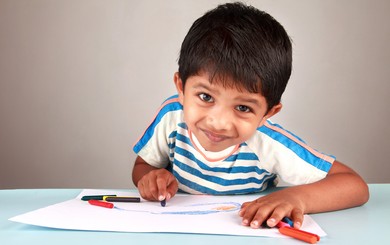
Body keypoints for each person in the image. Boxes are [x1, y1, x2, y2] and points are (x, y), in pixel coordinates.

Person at [132, 2, 369, 230]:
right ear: (181, 88)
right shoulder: (171, 117)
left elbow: (354, 185)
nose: (219, 122)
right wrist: (151, 178)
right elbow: (143, 165)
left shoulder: (268, 143)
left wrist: (296, 198)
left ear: (268, 113)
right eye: (205, 97)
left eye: (243, 108)